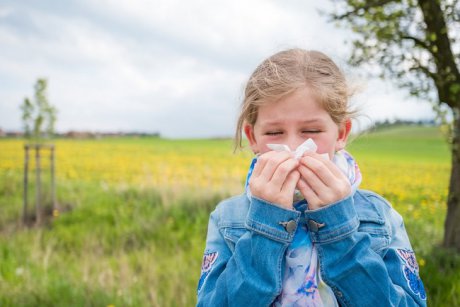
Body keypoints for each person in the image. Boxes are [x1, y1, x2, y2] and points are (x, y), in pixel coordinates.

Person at [196, 48, 426, 306]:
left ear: (341, 133)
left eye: (311, 130)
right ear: (253, 138)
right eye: (274, 133)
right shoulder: (229, 218)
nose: (294, 148)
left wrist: (338, 229)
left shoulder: (380, 217)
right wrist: (266, 224)